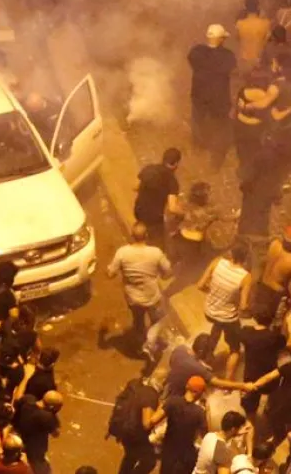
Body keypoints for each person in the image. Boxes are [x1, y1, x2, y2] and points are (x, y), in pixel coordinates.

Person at [107, 223, 172, 354]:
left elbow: (110, 274)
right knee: (158, 319)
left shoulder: (122, 253)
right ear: (147, 236)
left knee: (138, 320)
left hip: (132, 298)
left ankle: (139, 341)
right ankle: (150, 343)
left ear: (132, 236)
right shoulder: (156, 253)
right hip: (152, 297)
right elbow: (167, 272)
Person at [198, 242, 253, 374]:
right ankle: (229, 382)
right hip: (228, 318)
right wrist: (251, 311)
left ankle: (206, 357)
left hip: (209, 311)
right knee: (235, 348)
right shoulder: (245, 277)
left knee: (217, 325)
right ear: (246, 257)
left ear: (231, 253)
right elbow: (243, 306)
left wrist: (213, 293)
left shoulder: (217, 262)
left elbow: (200, 285)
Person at [188, 25, 237, 162]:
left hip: (199, 92)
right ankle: (218, 148)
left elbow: (192, 62)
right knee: (220, 122)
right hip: (218, 95)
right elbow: (231, 69)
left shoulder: (196, 52)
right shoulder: (228, 55)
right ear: (221, 39)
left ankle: (198, 144)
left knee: (198, 119)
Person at [159, 376, 211, 474]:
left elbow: (154, 420)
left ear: (187, 386)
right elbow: (206, 436)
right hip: (185, 456)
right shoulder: (199, 412)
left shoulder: (172, 401)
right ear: (199, 393)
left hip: (168, 451)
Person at [134, 148, 183, 235]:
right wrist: (183, 213)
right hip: (154, 219)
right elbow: (172, 207)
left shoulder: (149, 168)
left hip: (138, 210)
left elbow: (135, 187)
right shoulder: (172, 181)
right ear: (176, 163)